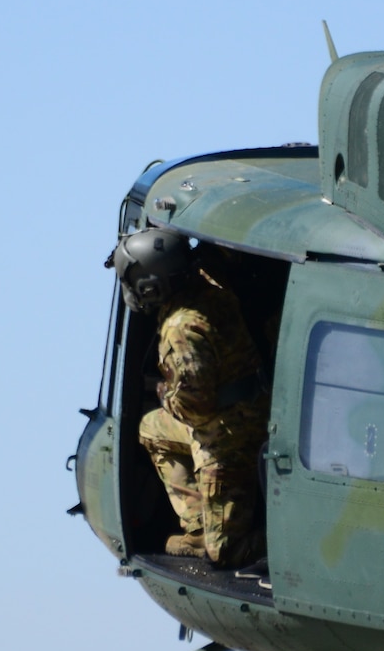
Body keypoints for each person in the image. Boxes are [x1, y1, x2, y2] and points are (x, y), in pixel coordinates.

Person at [111, 227, 268, 568]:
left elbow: (195, 407)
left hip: (227, 434)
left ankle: (284, 539)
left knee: (225, 552)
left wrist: (165, 393)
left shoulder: (181, 329)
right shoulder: (208, 283)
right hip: (253, 404)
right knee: (151, 428)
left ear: (151, 286)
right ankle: (197, 525)